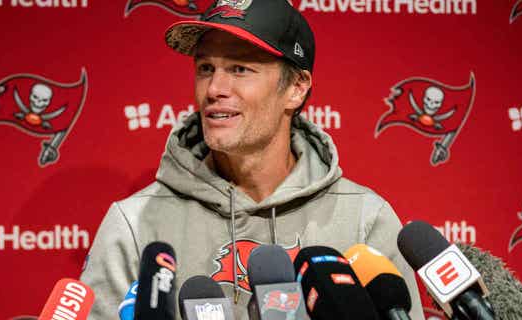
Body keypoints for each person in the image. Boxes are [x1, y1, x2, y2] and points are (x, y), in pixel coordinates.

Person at [80, 0, 425, 319]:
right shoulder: (135, 222)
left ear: (296, 88)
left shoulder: (365, 219)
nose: (214, 88)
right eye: (205, 68)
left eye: (240, 68)